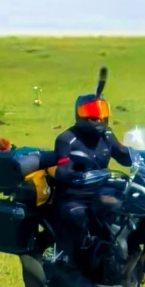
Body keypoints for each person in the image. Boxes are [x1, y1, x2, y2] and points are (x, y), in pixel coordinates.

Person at [52, 68, 131, 264]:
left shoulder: (106, 136)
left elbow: (124, 156)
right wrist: (75, 173)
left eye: (102, 113)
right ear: (79, 114)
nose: (98, 119)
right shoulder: (66, 139)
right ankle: (74, 264)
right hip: (74, 197)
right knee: (79, 217)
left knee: (129, 208)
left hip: (101, 193)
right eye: (91, 113)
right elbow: (61, 171)